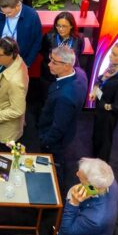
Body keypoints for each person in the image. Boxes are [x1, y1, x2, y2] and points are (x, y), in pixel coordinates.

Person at [38, 46, 88, 187]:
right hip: (70, 130)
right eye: (50, 60)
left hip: (56, 141)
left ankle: (53, 198)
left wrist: (45, 141)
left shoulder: (65, 97)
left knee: (55, 168)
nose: (49, 64)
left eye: (54, 62)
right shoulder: (80, 73)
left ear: (66, 66)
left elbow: (58, 127)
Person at [91, 41, 118, 160]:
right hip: (100, 108)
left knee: (104, 140)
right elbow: (101, 80)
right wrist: (95, 89)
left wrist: (107, 106)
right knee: (97, 136)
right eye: (111, 53)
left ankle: (101, 165)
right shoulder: (114, 66)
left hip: (107, 116)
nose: (110, 56)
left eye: (115, 54)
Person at [0, 37, 28, 145]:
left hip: (4, 132)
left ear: (11, 55)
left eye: (0, 55)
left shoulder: (15, 82)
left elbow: (18, 110)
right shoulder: (13, 61)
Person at [0, 0, 44, 72]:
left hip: (19, 61)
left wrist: (27, 63)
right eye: (3, 12)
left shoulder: (32, 15)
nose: (6, 15)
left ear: (18, 6)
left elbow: (37, 41)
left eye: (9, 12)